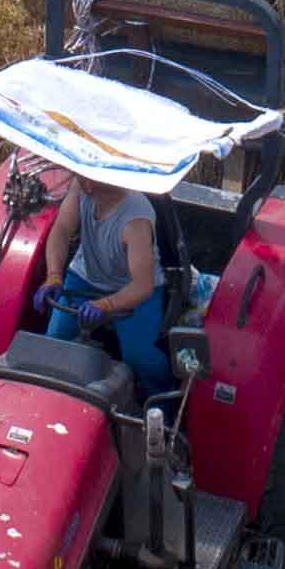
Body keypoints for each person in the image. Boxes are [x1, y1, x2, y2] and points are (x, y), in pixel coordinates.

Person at [44, 166, 168, 398]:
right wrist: (53, 274)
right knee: (54, 341)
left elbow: (143, 286)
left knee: (140, 356)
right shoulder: (80, 187)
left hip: (131, 288)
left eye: (89, 180)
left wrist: (107, 305)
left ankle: (161, 404)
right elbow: (61, 229)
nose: (84, 183)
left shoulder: (136, 220)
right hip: (85, 275)